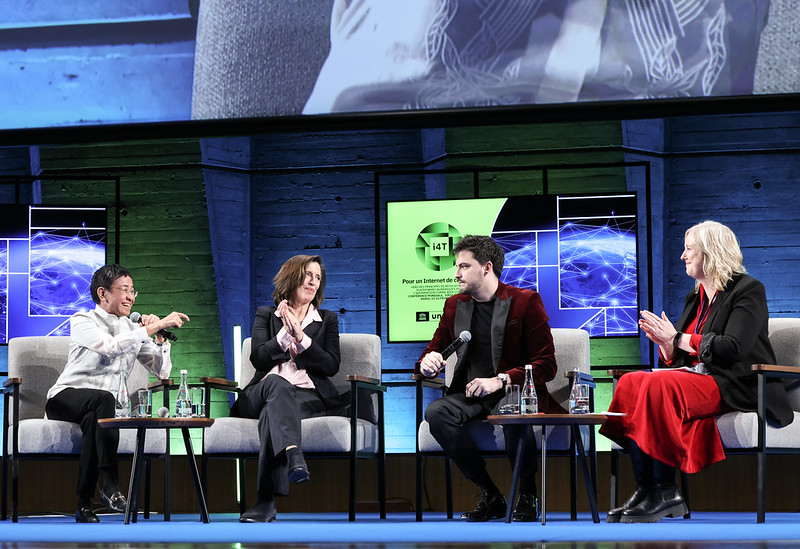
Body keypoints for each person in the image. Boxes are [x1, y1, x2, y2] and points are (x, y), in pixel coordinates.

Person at [601, 220, 794, 523]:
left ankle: (666, 491)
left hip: (735, 382)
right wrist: (667, 346)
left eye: (689, 249)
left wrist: (676, 338)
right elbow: (681, 360)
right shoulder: (696, 297)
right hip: (697, 379)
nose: (683, 256)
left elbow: (732, 348)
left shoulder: (748, 290)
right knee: (631, 382)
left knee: (656, 385)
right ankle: (645, 488)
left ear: (710, 252)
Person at [417, 235, 564, 522]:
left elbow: (547, 365)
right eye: (456, 267)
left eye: (463, 266)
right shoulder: (453, 305)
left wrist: (501, 380)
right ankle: (491, 495)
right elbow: (433, 349)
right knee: (436, 411)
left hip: (511, 391)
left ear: (486, 268)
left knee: (512, 409)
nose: (456, 273)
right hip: (469, 394)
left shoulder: (525, 302)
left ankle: (527, 495)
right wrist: (427, 362)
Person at [45, 264, 190, 523]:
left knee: (95, 419)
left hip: (100, 409)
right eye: (124, 290)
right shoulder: (83, 320)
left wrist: (160, 341)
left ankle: (83, 505)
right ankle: (110, 485)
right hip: (65, 397)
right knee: (104, 400)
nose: (130, 297)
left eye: (133, 291)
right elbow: (110, 347)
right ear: (103, 293)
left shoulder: (131, 330)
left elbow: (162, 373)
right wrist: (147, 330)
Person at [232, 255, 341, 523]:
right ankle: (293, 453)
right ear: (292, 276)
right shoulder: (266, 314)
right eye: (308, 275)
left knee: (275, 410)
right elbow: (257, 358)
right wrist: (283, 336)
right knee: (276, 386)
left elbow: (331, 365)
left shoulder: (327, 319)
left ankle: (265, 502)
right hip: (261, 390)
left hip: (305, 395)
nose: (313, 281)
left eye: (317, 277)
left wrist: (302, 339)